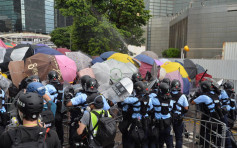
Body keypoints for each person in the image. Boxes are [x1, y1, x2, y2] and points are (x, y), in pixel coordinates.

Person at [65, 76, 110, 147]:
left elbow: (68, 104)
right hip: (99, 127)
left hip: (83, 123)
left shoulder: (82, 96)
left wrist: (68, 95)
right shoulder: (101, 97)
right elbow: (107, 108)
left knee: (77, 138)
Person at [121, 81, 153, 148]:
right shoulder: (149, 99)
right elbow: (151, 108)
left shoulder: (135, 99)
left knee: (132, 139)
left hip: (135, 122)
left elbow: (124, 100)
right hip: (145, 121)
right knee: (144, 140)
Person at [190, 80, 220, 147]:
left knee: (206, 133)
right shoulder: (214, 94)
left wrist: (196, 95)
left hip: (208, 117)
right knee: (214, 134)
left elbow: (192, 102)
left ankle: (205, 145)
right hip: (216, 117)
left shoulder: (203, 96)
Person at [150, 82, 174, 148]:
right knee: (169, 143)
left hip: (158, 124)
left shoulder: (154, 100)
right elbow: (171, 109)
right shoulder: (170, 101)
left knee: (159, 143)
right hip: (167, 124)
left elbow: (150, 107)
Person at [170, 79, 189, 148]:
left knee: (169, 137)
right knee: (178, 138)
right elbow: (186, 108)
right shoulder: (183, 96)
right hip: (178, 118)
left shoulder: (168, 94)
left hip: (169, 118)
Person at [47, 70, 64, 145]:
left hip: (51, 109)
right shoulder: (62, 86)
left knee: (51, 127)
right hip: (60, 109)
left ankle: (52, 142)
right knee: (60, 126)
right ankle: (61, 142)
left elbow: (47, 98)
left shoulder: (47, 87)